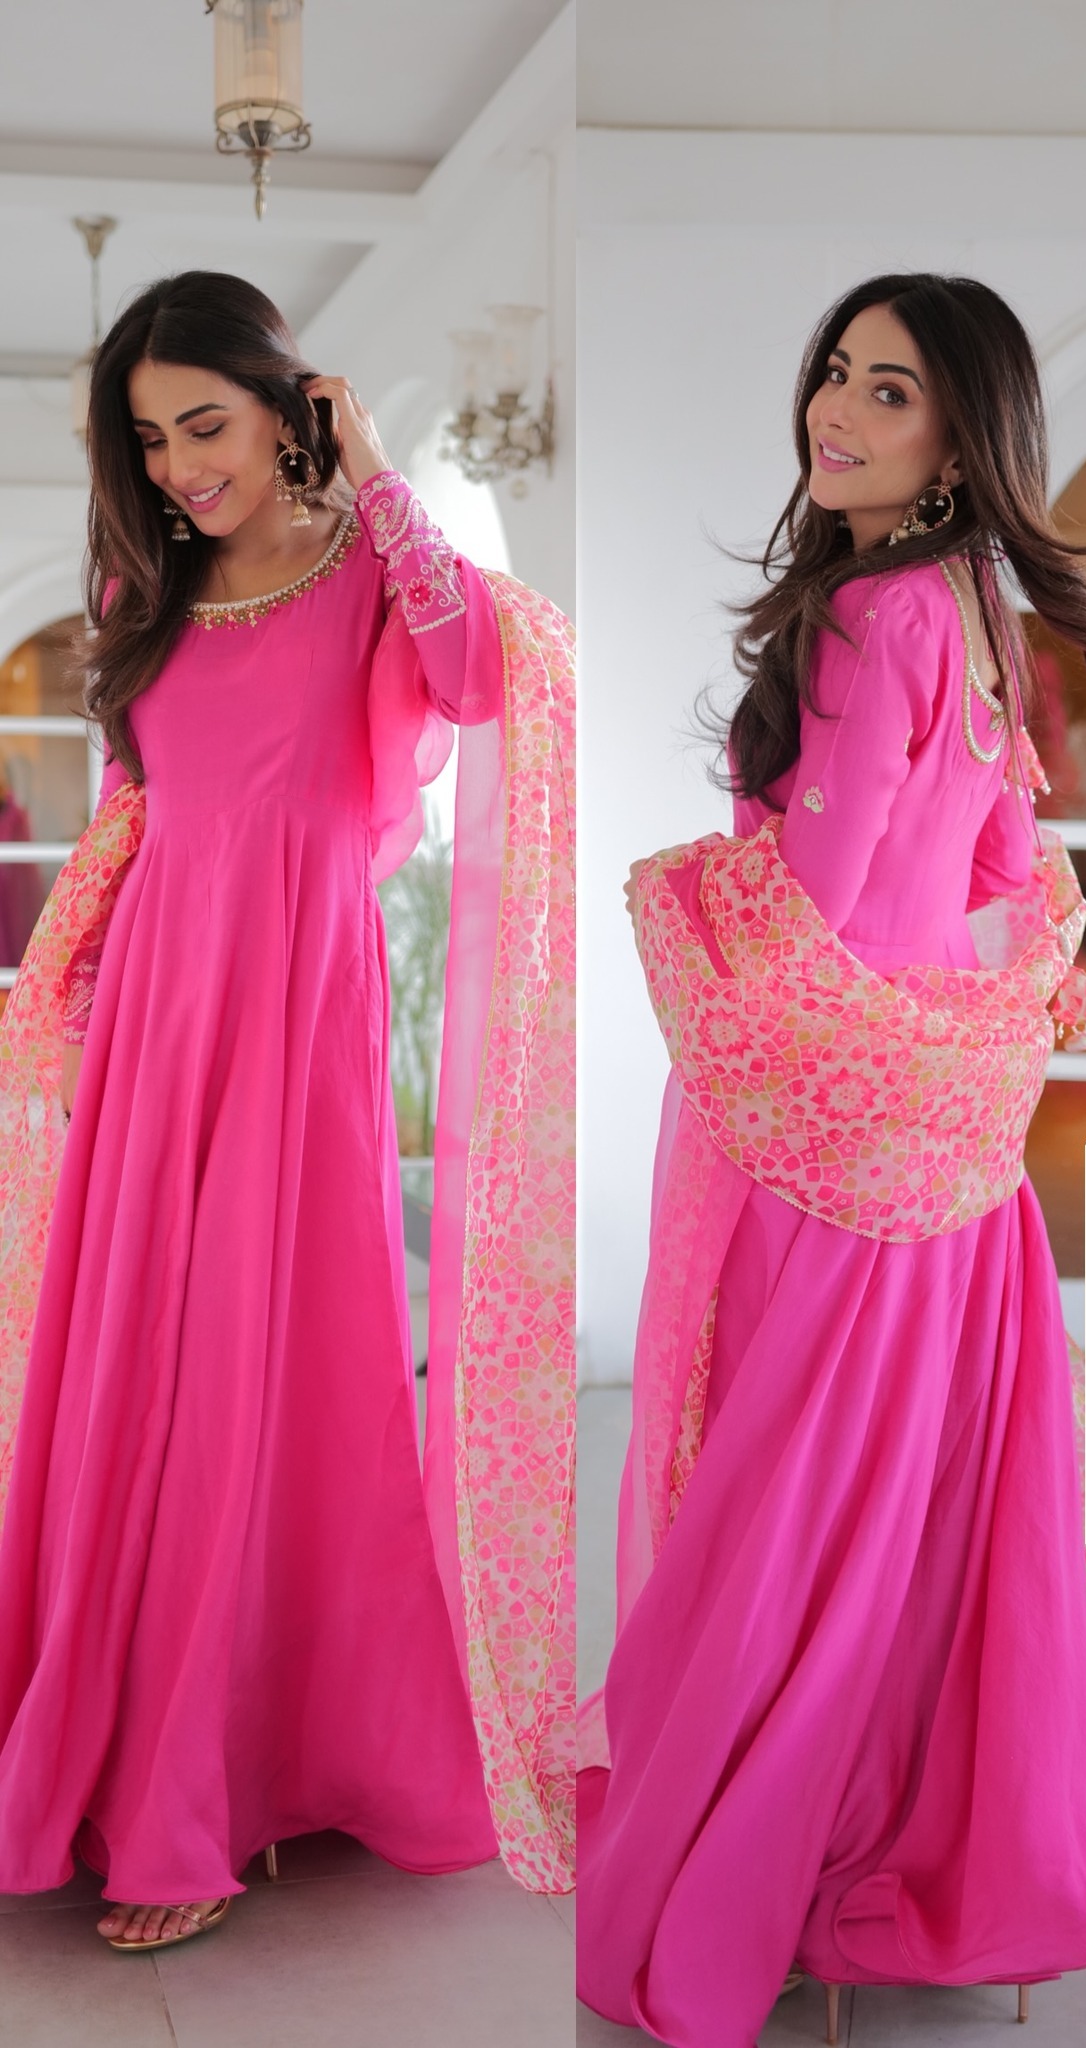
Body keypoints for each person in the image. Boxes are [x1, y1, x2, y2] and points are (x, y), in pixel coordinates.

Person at [576, 273, 1086, 2048]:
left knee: (788, 1510)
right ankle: (914, 1839)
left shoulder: (870, 611)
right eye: (837, 371)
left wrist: (676, 886)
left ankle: (776, 1858)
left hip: (829, 1143)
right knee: (908, 1519)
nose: (837, 408)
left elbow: (809, 904)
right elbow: (1003, 874)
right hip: (950, 1155)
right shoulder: (977, 609)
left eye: (890, 389)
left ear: (962, 436)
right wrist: (991, 1031)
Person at [0, 272, 575, 1949]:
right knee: (135, 1363)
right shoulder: (149, 581)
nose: (182, 467)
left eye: (209, 425)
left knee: (258, 1368)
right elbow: (143, 805)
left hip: (300, 1005)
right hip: (156, 1008)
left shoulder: (369, 567)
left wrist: (377, 471)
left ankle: (205, 1781)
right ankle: (111, 1741)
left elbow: (478, 679)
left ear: (287, 406)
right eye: (150, 438)